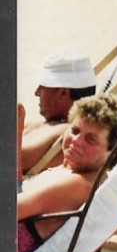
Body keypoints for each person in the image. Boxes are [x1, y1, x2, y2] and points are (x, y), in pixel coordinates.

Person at [17, 93, 117, 252]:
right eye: (75, 130)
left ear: (111, 151)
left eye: (90, 139)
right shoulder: (75, 171)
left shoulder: (78, 184)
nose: (76, 141)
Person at [20, 48, 98, 176]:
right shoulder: (46, 124)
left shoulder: (67, 133)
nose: (37, 92)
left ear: (62, 92)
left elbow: (11, 159)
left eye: (42, 86)